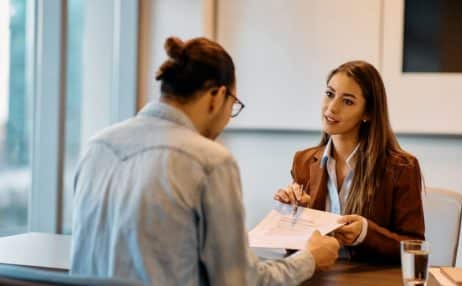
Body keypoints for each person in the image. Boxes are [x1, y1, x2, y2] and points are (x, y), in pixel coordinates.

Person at [70, 36, 340, 285]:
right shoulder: (209, 161)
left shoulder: (97, 147)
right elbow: (239, 281)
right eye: (232, 104)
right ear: (217, 96)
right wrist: (309, 258)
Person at [274, 60, 424, 263]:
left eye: (348, 101)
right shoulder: (303, 161)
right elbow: (293, 249)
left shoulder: (401, 168)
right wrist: (292, 216)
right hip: (317, 277)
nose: (332, 107)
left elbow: (414, 248)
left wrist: (366, 233)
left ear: (368, 113)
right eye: (329, 94)